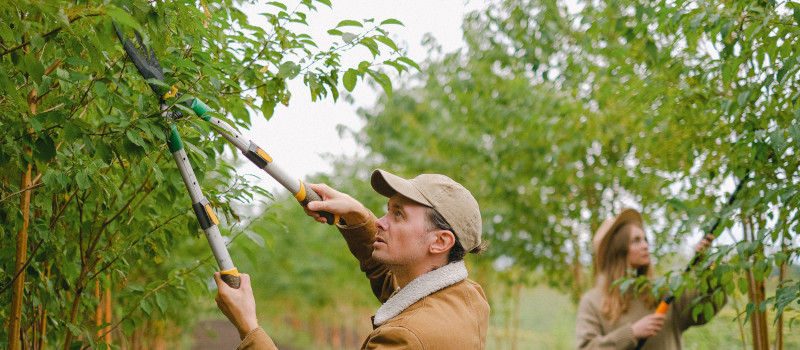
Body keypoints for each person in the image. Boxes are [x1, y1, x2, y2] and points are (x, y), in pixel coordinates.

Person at [214, 169, 490, 349]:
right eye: (386, 211)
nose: (382, 222)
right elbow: (397, 289)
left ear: (440, 241)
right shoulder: (468, 298)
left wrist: (248, 327)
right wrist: (358, 217)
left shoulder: (404, 339)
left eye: (399, 215)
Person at [575, 208, 723, 350]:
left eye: (645, 239)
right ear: (618, 249)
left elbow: (704, 310)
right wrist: (631, 333)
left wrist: (708, 266)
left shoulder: (663, 291)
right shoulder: (592, 302)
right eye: (636, 240)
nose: (646, 245)